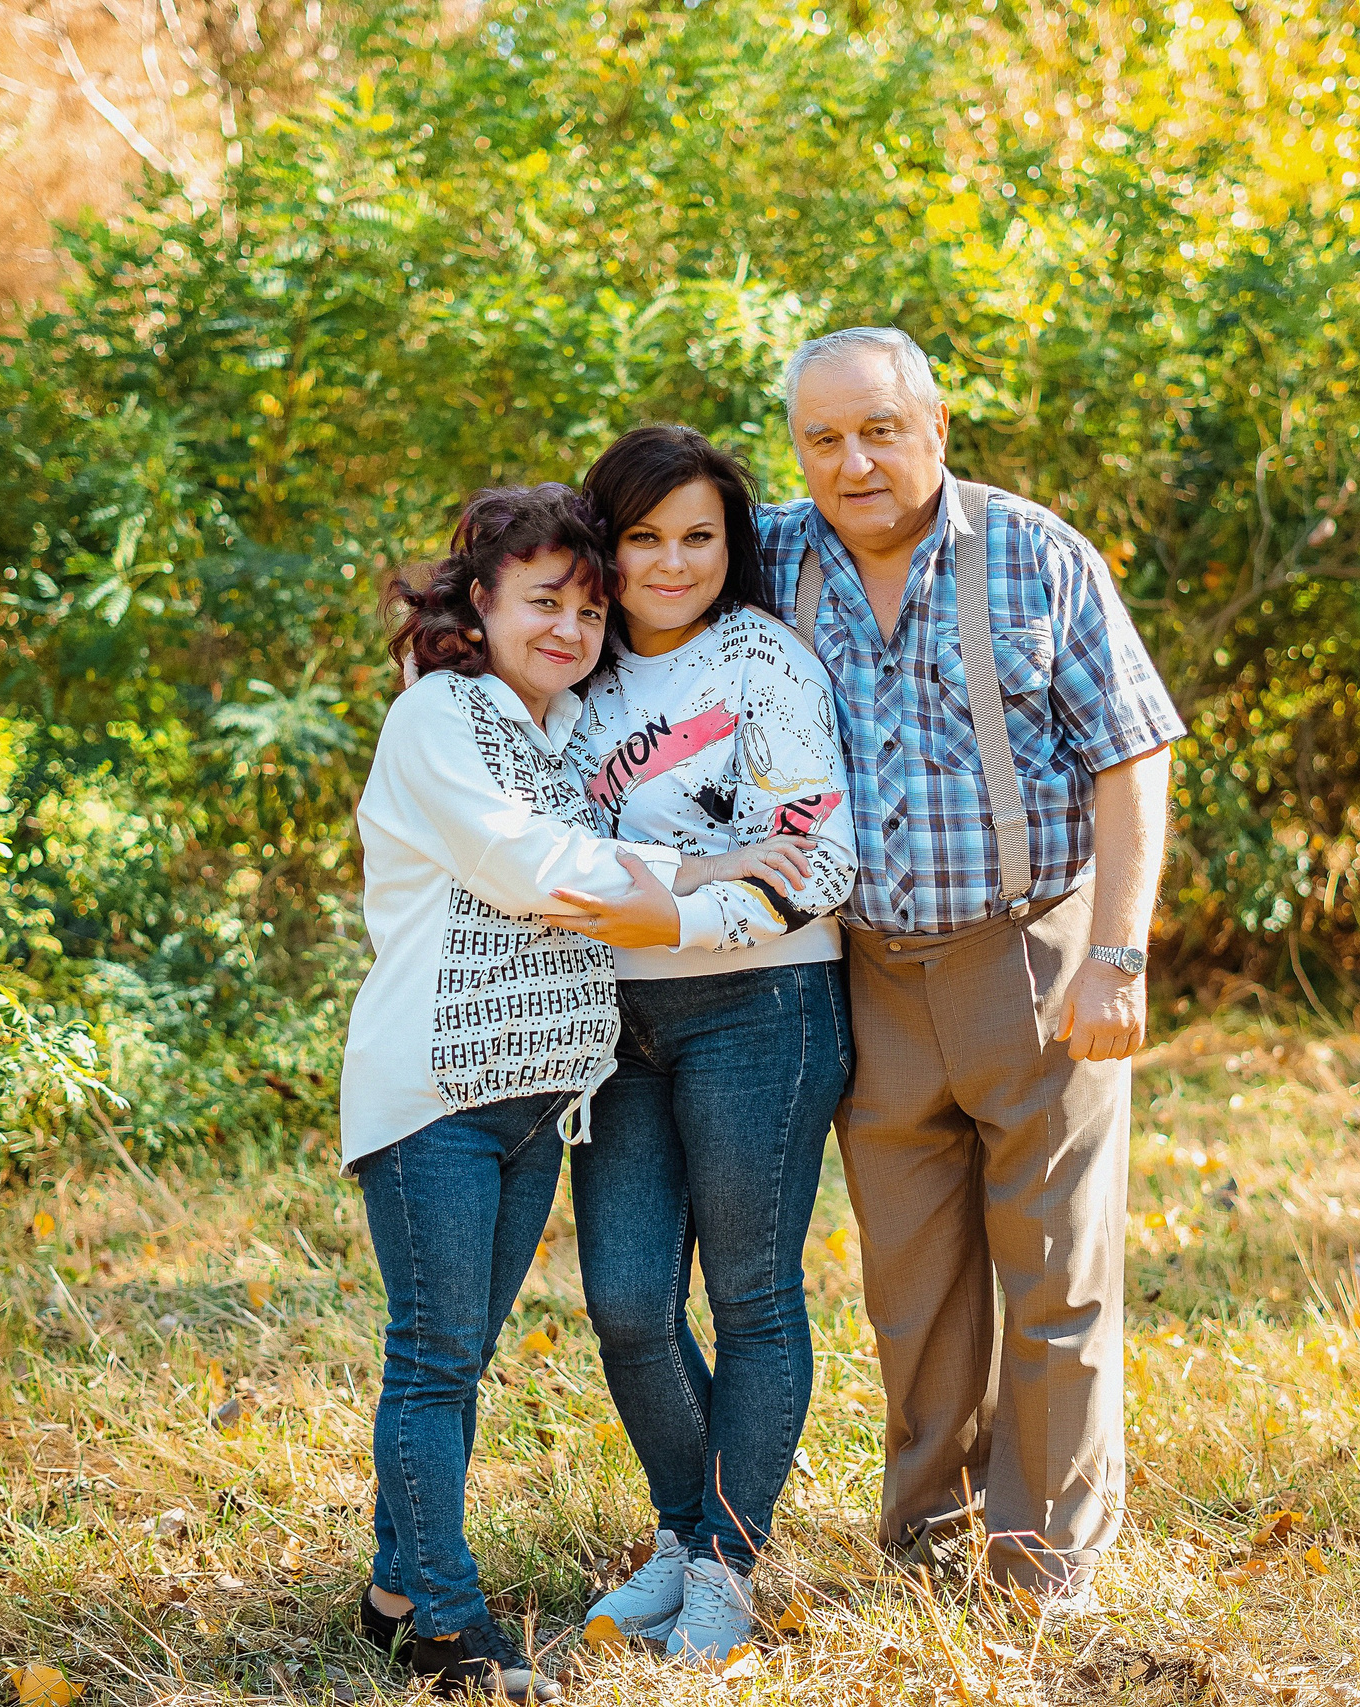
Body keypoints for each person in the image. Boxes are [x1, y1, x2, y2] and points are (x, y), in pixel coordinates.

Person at [756, 328, 1183, 1616]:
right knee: (912, 1285)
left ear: (935, 425)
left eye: (879, 430)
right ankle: (928, 1541)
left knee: (1056, 1272)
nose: (854, 463)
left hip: (1030, 955)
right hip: (867, 974)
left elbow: (1132, 754)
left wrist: (1116, 957)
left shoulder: (1033, 554)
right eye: (824, 440)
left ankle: (1043, 1562)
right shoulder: (768, 560)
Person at [342, 483, 698, 1701]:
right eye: (544, 601)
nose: (569, 629)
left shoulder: (560, 736)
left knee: (458, 1358)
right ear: (480, 601)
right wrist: (707, 873)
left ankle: (394, 1595)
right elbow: (528, 869)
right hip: (434, 1093)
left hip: (537, 1098)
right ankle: (449, 1628)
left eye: (589, 611)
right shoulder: (437, 717)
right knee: (435, 1359)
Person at [542, 426, 856, 1668]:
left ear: (732, 547)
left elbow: (818, 862)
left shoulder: (762, 661)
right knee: (625, 1302)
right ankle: (682, 1535)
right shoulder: (571, 675)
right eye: (643, 538)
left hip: (762, 1006)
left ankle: (726, 1564)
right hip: (610, 1025)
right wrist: (690, 878)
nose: (671, 563)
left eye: (698, 538)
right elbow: (542, 857)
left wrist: (666, 908)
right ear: (603, 546)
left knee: (750, 1297)